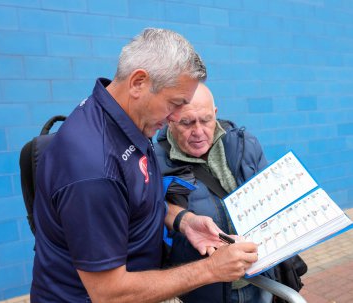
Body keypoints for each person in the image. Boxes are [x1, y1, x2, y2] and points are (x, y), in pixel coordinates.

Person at [31, 28, 259, 303]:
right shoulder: (94, 168)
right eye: (175, 104)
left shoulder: (126, 120)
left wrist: (184, 221)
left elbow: (135, 203)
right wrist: (211, 269)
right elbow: (110, 293)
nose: (175, 117)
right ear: (138, 82)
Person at [155, 83, 275, 303]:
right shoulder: (154, 162)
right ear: (169, 120)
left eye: (206, 120)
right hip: (203, 291)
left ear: (216, 114)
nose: (199, 132)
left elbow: (270, 199)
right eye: (187, 123)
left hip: (260, 279)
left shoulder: (244, 143)